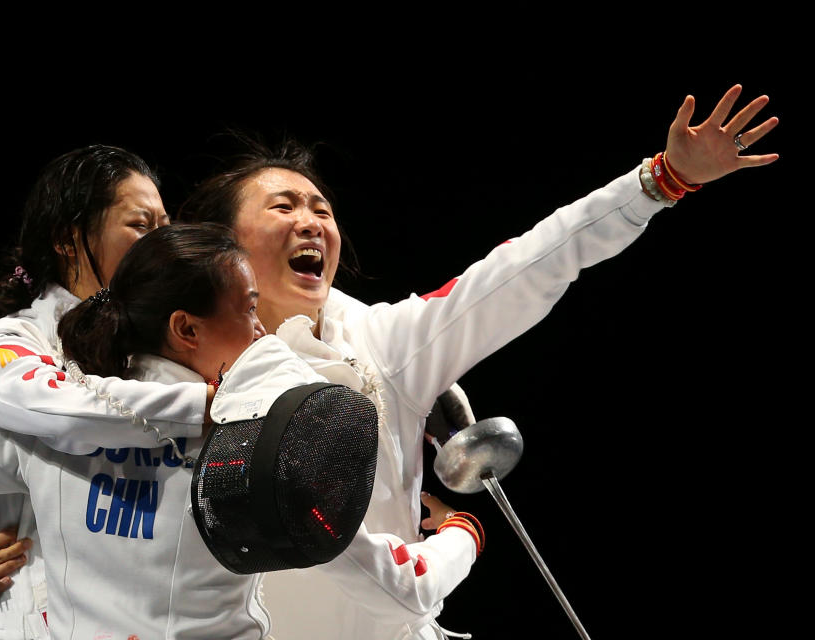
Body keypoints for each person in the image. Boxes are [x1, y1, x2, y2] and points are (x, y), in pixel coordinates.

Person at [171, 84, 779, 639]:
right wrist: (460, 538)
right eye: (283, 207)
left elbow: (525, 267)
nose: (312, 223)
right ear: (223, 243)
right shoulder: (165, 359)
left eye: (322, 210)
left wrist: (661, 180)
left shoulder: (387, 344)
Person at [0, 223, 484, 639]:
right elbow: (405, 588)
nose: (262, 329)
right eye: (248, 308)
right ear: (186, 328)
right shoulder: (260, 452)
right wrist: (463, 533)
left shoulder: (51, 421)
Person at [0, 144, 219, 638]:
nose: (161, 242)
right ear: (70, 240)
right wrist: (207, 407)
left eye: (165, 225)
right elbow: (68, 415)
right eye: (140, 225)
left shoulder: (164, 343)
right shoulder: (3, 345)